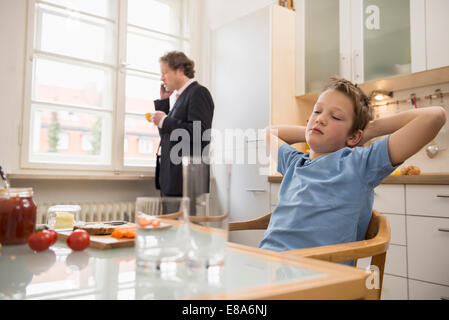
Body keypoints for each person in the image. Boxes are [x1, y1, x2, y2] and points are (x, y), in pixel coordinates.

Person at [259, 76, 446, 264]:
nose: (321, 119)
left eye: (336, 117)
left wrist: (370, 130)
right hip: (269, 264)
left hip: (316, 276)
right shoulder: (295, 162)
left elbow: (435, 116)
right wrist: (311, 131)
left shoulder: (360, 163)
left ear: (355, 136)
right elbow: (269, 132)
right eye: (317, 111)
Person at [150, 51, 214, 198]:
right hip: (173, 182)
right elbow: (168, 136)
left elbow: (200, 133)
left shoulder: (198, 93)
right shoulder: (181, 97)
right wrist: (164, 103)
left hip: (187, 184)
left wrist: (165, 120)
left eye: (165, 72)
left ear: (180, 70)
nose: (162, 78)